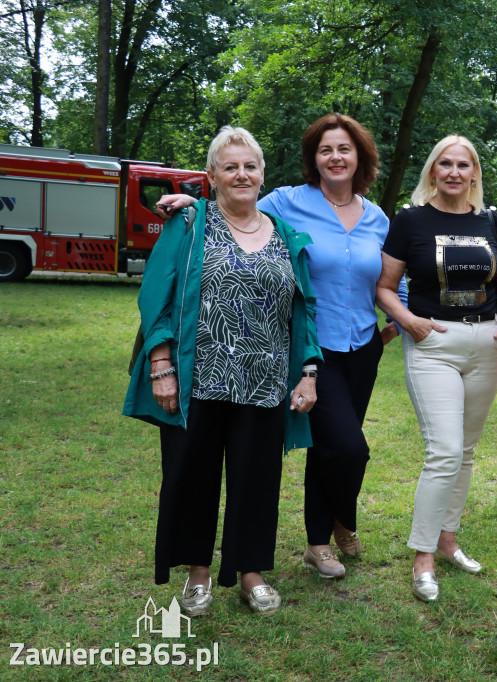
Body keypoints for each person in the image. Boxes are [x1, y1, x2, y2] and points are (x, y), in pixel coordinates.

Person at [157, 113, 407, 580]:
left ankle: (321, 539)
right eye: (326, 149)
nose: (336, 157)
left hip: (362, 347)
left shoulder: (376, 216)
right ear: (314, 158)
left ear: (360, 158)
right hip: (310, 349)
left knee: (330, 449)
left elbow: (393, 274)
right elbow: (234, 204)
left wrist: (396, 318)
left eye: (345, 149)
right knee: (348, 448)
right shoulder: (288, 203)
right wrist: (190, 201)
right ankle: (338, 527)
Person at [123, 126, 322, 615]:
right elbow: (157, 297)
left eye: (249, 166)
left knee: (257, 481)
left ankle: (251, 572)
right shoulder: (189, 226)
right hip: (200, 380)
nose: (241, 174)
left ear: (262, 174)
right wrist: (161, 363)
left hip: (265, 383)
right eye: (229, 167)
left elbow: (305, 311)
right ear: (211, 177)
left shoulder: (286, 236)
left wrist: (308, 372)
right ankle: (197, 574)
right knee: (192, 477)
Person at [376, 135, 497, 602]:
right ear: (432, 171)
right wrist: (409, 322)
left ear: (474, 172)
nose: (454, 172)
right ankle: (423, 556)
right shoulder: (409, 220)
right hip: (434, 343)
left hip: (486, 343)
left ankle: (448, 540)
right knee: (445, 450)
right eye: (445, 164)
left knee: (467, 450)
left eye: (463, 164)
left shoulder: (490, 220)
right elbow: (386, 286)